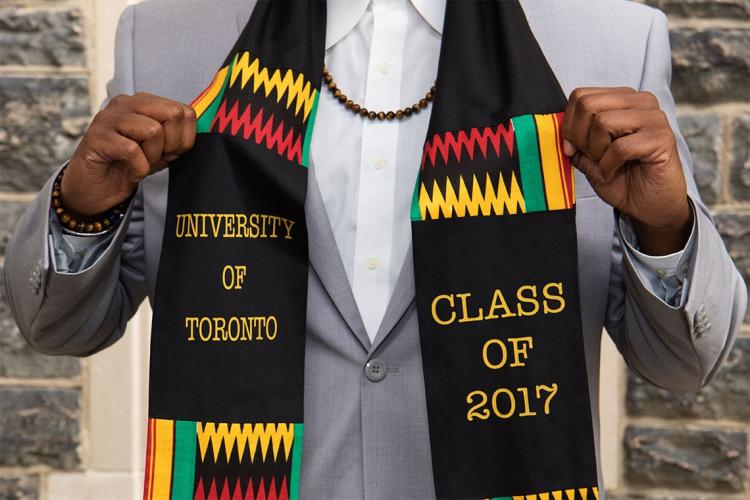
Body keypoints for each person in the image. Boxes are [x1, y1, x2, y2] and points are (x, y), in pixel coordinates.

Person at [4, 0, 746, 499]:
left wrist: (663, 228)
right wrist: (81, 206)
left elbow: (684, 365)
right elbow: (61, 327)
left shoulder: (611, 39)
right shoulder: (166, 37)